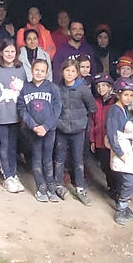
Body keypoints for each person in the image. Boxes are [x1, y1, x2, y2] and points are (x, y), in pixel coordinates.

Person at [18, 58, 62, 202]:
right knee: (36, 159)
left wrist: (46, 126)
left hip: (49, 131)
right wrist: (34, 126)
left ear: (46, 72)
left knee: (48, 159)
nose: (39, 73)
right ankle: (40, 187)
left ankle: (50, 187)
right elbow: (22, 109)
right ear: (31, 70)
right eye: (36, 70)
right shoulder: (26, 89)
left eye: (42, 71)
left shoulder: (52, 88)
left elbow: (57, 109)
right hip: (34, 131)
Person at [53, 58, 95, 205]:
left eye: (73, 71)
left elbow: (92, 107)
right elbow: (54, 107)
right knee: (59, 159)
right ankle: (58, 184)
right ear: (62, 72)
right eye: (67, 70)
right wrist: (58, 122)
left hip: (78, 130)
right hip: (62, 128)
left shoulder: (83, 89)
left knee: (78, 160)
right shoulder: (57, 89)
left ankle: (80, 187)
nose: (69, 74)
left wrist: (83, 122)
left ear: (77, 73)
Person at [0, 39, 28, 193]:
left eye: (12, 51)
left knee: (13, 147)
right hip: (2, 117)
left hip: (16, 116)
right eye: (6, 51)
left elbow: (26, 93)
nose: (9, 54)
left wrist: (24, 116)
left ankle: (13, 173)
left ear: (16, 53)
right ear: (1, 53)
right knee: (4, 146)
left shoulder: (21, 70)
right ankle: (7, 176)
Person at [106, 78, 133, 225]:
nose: (128, 98)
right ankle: (121, 208)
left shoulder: (124, 109)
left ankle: (124, 205)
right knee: (130, 182)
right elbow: (111, 132)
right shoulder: (114, 110)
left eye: (130, 95)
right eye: (126, 95)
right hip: (120, 149)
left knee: (125, 180)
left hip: (126, 147)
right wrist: (119, 152)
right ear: (118, 94)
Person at [89, 74, 116, 200]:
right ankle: (112, 187)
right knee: (104, 166)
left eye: (104, 86)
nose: (101, 89)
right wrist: (92, 140)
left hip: (112, 141)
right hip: (99, 140)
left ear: (110, 87)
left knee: (115, 167)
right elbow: (92, 122)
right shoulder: (95, 102)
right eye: (98, 86)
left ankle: (118, 190)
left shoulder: (116, 102)